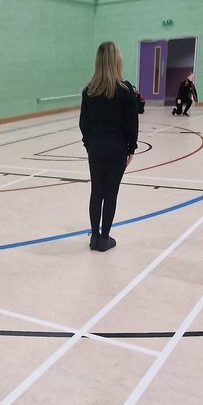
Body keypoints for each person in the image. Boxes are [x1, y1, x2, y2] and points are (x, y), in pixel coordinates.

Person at [79, 42, 138, 252]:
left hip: (96, 148)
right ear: (117, 61)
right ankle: (104, 238)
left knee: (96, 191)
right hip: (116, 149)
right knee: (110, 193)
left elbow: (83, 123)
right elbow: (132, 123)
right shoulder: (125, 90)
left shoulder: (89, 91)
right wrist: (132, 147)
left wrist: (89, 144)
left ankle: (94, 237)